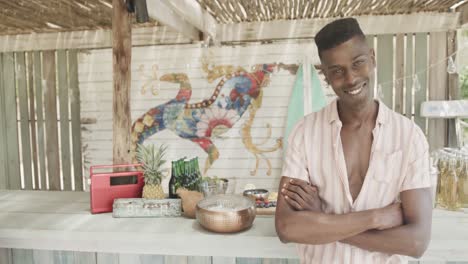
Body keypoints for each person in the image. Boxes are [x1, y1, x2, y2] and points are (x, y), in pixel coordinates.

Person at [275, 18, 432, 264]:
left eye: (358, 63)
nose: (350, 79)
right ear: (325, 75)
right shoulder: (305, 133)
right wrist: (376, 218)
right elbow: (287, 228)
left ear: (372, 57)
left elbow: (416, 242)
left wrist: (321, 219)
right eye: (336, 71)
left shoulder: (409, 137)